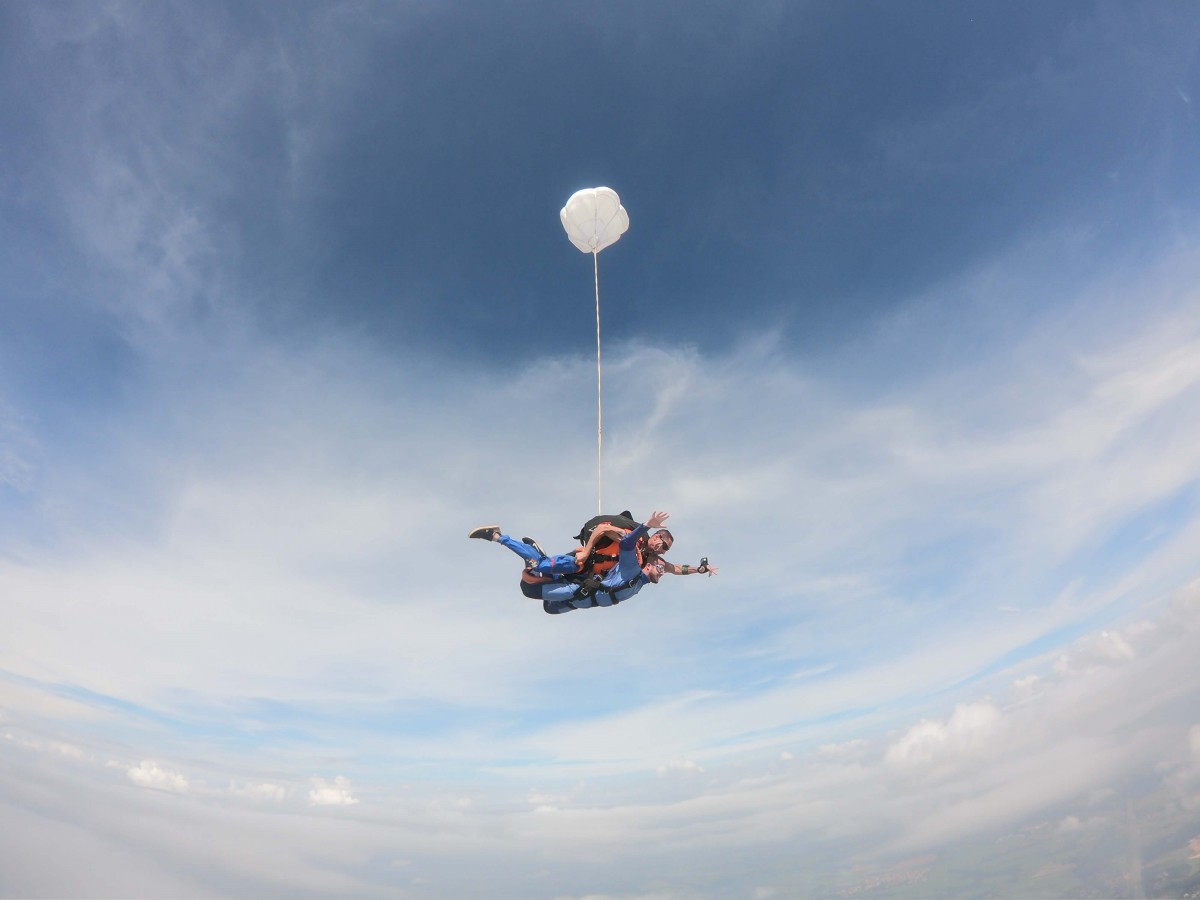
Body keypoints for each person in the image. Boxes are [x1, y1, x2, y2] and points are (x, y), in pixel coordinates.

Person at [470, 511, 716, 614]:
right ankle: (498, 536)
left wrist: (699, 569)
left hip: (589, 579)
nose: (662, 549)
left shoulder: (649, 559)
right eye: (662, 543)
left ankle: (539, 558)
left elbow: (675, 569)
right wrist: (587, 552)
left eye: (666, 548)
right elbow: (602, 529)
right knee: (538, 567)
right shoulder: (633, 538)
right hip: (582, 563)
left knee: (550, 608)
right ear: (657, 536)